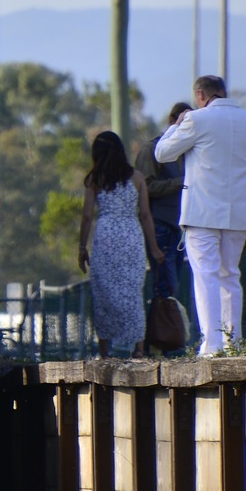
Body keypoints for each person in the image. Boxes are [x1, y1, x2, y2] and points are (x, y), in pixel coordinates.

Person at [155, 75, 246, 356]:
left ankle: (212, 343)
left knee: (205, 275)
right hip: (239, 213)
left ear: (200, 95)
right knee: (230, 275)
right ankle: (235, 341)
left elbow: (162, 153)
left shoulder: (197, 119)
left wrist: (176, 127)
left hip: (202, 213)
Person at [78, 130, 166, 358]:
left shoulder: (94, 180)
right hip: (131, 236)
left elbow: (87, 216)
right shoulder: (137, 178)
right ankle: (138, 347)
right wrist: (154, 248)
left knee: (103, 292)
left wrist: (81, 248)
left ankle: (104, 350)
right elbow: (145, 215)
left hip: (105, 237)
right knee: (133, 290)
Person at [135, 102, 191, 306]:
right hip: (159, 224)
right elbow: (144, 187)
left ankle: (169, 333)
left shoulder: (189, 153)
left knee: (173, 286)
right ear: (172, 121)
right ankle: (161, 334)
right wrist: (179, 183)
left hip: (179, 227)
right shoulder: (151, 149)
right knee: (164, 286)